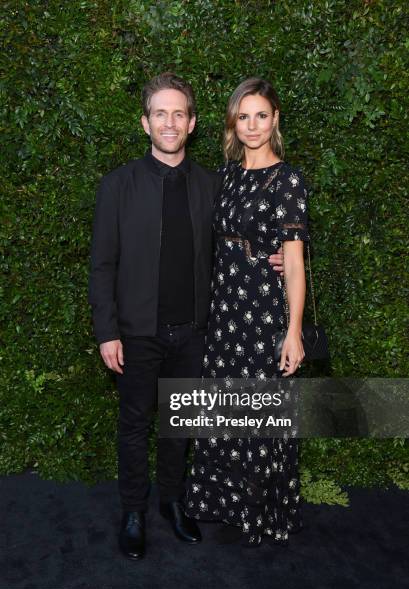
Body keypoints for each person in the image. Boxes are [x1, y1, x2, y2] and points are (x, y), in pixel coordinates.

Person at [88, 72, 286, 559]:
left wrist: (274, 254)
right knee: (135, 425)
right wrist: (107, 331)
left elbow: (241, 234)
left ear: (193, 123)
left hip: (196, 332)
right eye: (161, 113)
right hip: (136, 334)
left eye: (179, 113)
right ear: (145, 122)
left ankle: (173, 503)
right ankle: (133, 510)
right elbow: (102, 264)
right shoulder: (118, 186)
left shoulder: (212, 184)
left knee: (179, 425)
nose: (170, 122)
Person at [186, 77, 309, 547]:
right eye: (244, 116)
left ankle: (261, 512)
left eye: (261, 115)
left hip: (263, 310)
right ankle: (223, 503)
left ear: (275, 119)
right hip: (225, 308)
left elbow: (293, 262)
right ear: (233, 124)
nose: (253, 125)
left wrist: (293, 331)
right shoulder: (227, 174)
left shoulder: (289, 179)